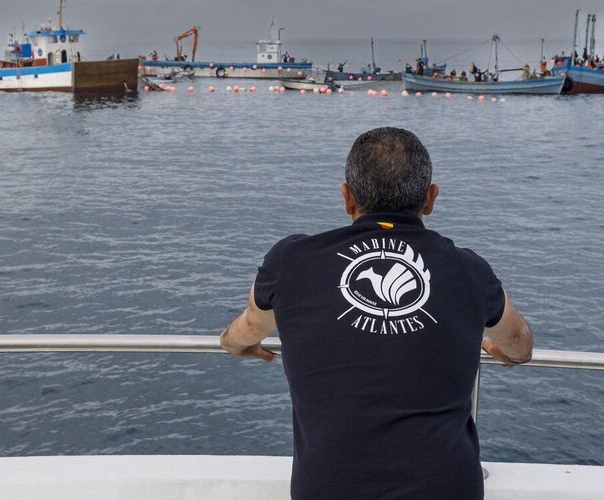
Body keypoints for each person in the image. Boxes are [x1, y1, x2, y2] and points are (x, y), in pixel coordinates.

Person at [220, 127, 533, 500]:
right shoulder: (468, 270)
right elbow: (519, 343)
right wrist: (505, 353)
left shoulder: (291, 261)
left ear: (347, 198)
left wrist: (234, 344)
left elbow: (249, 328)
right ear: (430, 199)